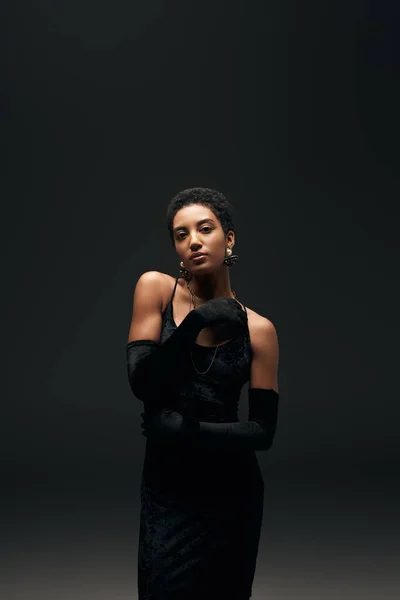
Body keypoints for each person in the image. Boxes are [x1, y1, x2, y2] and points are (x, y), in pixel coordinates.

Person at [126, 187, 280, 600]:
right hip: (169, 488)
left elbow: (263, 432)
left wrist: (188, 429)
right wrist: (196, 322)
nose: (193, 240)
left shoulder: (259, 329)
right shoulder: (155, 289)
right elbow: (144, 383)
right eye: (181, 234)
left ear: (228, 239)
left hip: (234, 493)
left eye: (205, 228)